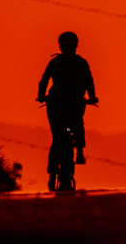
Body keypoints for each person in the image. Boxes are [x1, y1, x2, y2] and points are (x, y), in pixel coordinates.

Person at [37, 31, 98, 191]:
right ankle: (79, 152)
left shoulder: (55, 62)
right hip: (69, 104)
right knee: (74, 127)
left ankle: (55, 171)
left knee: (59, 136)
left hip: (57, 104)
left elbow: (44, 79)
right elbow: (89, 81)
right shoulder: (81, 62)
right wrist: (92, 97)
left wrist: (41, 96)